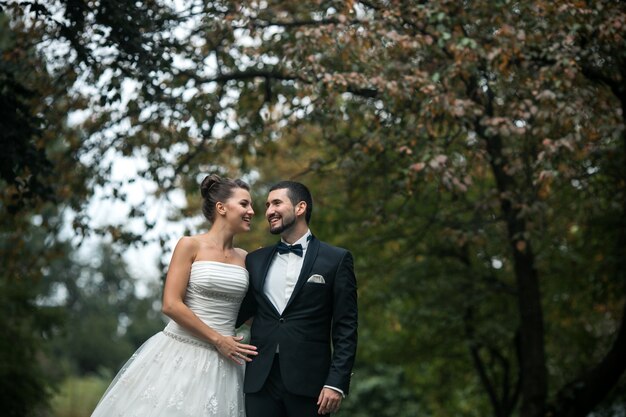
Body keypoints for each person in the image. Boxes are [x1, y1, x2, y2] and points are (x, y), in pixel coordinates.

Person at [90, 174, 257, 417]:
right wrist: (218, 340)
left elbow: (249, 313)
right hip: (182, 353)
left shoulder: (246, 257)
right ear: (221, 207)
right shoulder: (190, 245)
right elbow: (170, 305)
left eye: (251, 205)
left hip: (226, 365)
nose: (251, 211)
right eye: (244, 204)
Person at [237, 180, 358, 417]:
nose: (269, 211)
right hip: (260, 380)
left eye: (276, 203)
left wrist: (337, 382)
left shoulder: (336, 259)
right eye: (267, 205)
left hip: (311, 383)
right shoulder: (255, 260)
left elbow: (346, 326)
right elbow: (238, 311)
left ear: (300, 208)